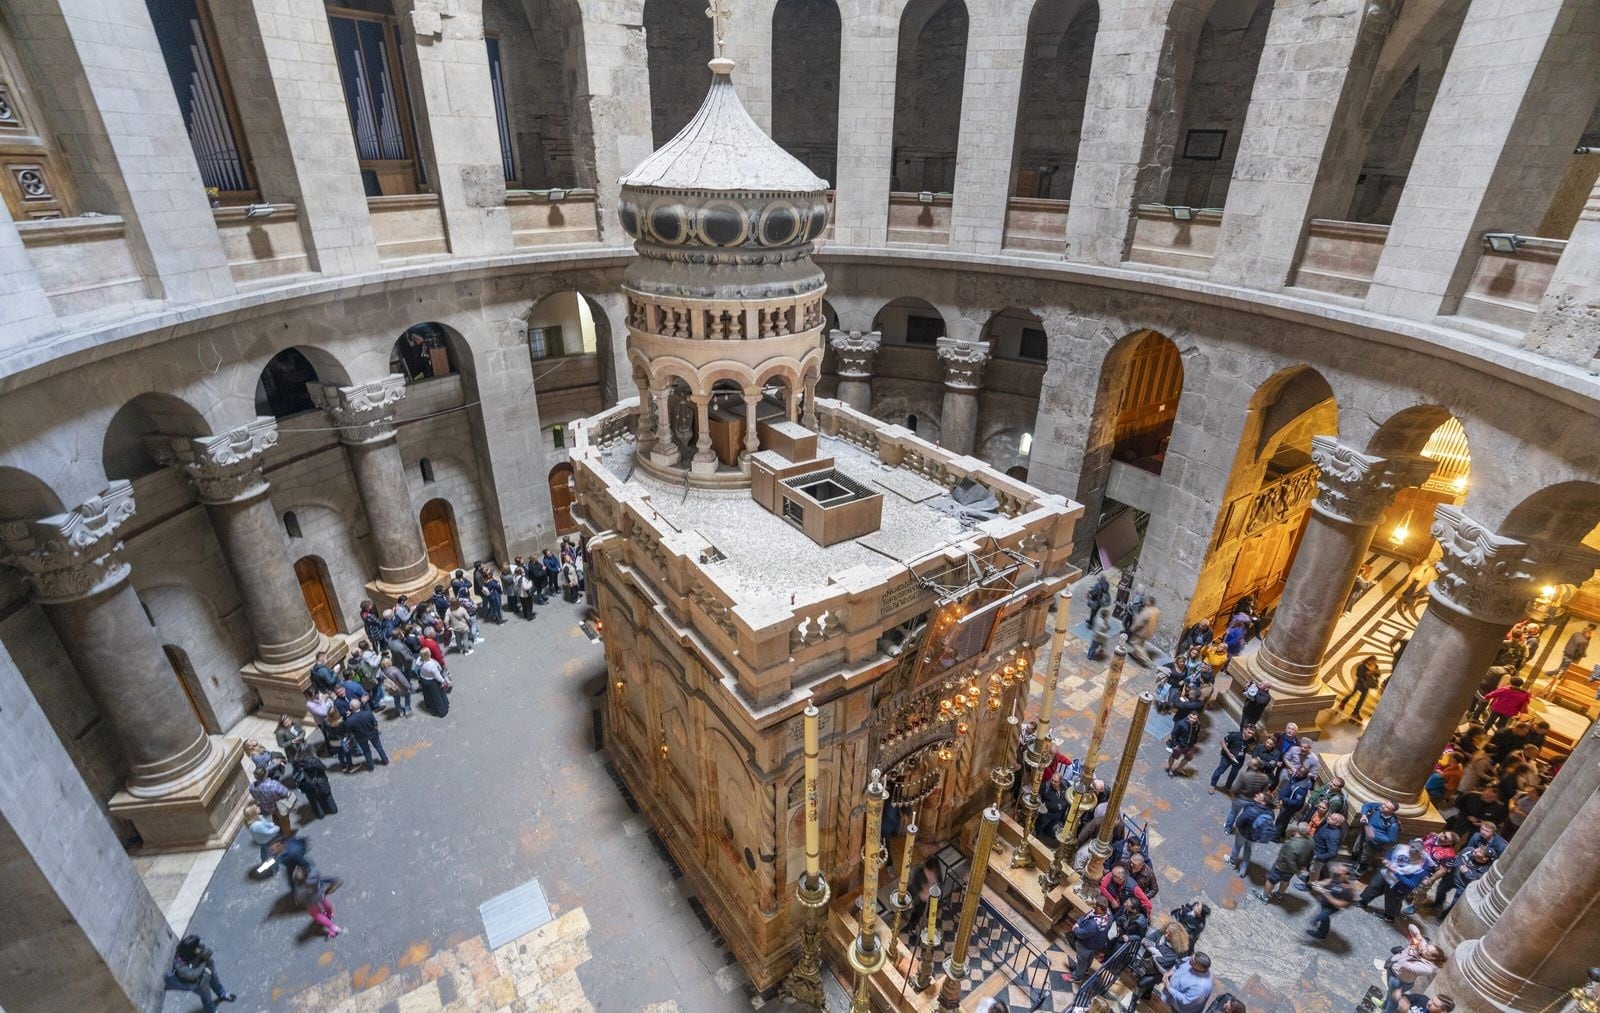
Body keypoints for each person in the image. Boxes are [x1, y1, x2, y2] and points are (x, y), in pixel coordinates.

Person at [1358, 840, 1428, 922]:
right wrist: (1387, 859)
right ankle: (1363, 902)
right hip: (1386, 873)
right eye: (1409, 854)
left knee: (1393, 900)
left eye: (1412, 856)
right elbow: (1391, 853)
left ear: (1419, 854)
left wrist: (1396, 872)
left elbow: (1412, 884)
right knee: (1373, 887)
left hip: (1398, 884)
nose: (1410, 857)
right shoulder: (1402, 847)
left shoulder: (1422, 867)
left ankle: (1389, 917)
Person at [1382, 924, 1445, 1013]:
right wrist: (1418, 935)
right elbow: (1411, 926)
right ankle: (1384, 1005)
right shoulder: (1424, 948)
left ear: (1432, 958)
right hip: (1393, 969)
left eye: (1427, 951)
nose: (1424, 949)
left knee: (1393, 1001)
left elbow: (1407, 966)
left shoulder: (1428, 968)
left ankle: (1386, 1010)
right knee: (1390, 992)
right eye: (1426, 947)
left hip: (1399, 980)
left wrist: (1414, 951)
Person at [163, 934, 236, 1011]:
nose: (199, 948)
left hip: (208, 970)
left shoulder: (198, 946)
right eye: (196, 948)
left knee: (216, 982)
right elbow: (193, 974)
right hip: (199, 983)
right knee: (207, 998)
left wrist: (201, 953)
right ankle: (212, 1010)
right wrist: (204, 963)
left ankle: (222, 993)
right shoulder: (180, 964)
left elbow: (209, 952)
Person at [1256, 822, 1312, 903]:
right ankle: (1279, 895)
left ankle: (1264, 897)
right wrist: (1302, 867)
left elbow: (1289, 860)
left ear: (1297, 830)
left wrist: (1296, 870)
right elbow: (1311, 855)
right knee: (1286, 881)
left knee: (1271, 880)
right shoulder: (1311, 841)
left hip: (1282, 867)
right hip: (1295, 867)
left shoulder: (1292, 844)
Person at [1228, 790, 1275, 879]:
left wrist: (1238, 827)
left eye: (1259, 796)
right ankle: (1243, 869)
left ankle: (1232, 862)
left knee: (1237, 847)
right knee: (1248, 849)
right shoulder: (1271, 813)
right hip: (1254, 836)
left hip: (1243, 833)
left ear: (1263, 802)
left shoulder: (1252, 810)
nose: (1256, 795)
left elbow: (1239, 821)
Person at [291, 864, 343, 939]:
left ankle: (334, 928)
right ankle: (330, 914)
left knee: (317, 915)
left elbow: (300, 899)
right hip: (320, 893)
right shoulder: (313, 874)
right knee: (326, 903)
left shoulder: (299, 890)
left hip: (311, 902)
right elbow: (321, 878)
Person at [1306, 863, 1355, 941]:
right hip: (1324, 903)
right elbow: (1320, 883)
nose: (1337, 870)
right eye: (1338, 868)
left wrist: (1327, 894)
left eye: (1341, 870)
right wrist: (1318, 885)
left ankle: (1321, 931)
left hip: (1332, 907)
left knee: (1320, 917)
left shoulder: (1347, 889)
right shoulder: (1335, 877)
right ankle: (1322, 934)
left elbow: (1341, 904)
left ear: (1346, 875)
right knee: (1324, 919)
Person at [1069, 899, 1113, 983]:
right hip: (1097, 943)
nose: (1093, 906)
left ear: (1099, 909)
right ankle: (1085, 970)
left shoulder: (1094, 924)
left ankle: (1077, 976)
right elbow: (1087, 915)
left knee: (1082, 961)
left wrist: (1076, 928)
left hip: (1086, 945)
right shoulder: (1109, 913)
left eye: (1095, 905)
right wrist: (1078, 922)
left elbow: (1082, 934)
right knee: (1089, 957)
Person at [1298, 812, 1345, 889]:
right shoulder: (1330, 824)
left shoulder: (1333, 835)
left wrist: (1318, 857)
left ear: (1337, 824)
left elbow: (1333, 853)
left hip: (1319, 857)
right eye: (1330, 816)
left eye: (1332, 819)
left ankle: (1308, 886)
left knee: (1314, 872)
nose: (1329, 818)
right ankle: (1307, 879)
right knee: (1311, 869)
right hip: (1315, 852)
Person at [1352, 800, 1401, 871]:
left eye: (1387, 807)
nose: (1383, 806)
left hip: (1372, 843)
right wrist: (1364, 815)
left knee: (1365, 858)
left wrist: (1374, 836)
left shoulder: (1393, 824)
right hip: (1363, 834)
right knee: (1356, 849)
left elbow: (1391, 839)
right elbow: (1366, 806)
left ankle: (1360, 871)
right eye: (1384, 804)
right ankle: (1354, 864)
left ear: (1392, 811)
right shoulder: (1379, 807)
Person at [343, 699, 390, 770]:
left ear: (351, 707)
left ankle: (371, 766)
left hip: (361, 738)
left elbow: (351, 733)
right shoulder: (368, 713)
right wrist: (376, 730)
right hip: (373, 734)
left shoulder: (349, 720)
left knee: (366, 751)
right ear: (360, 705)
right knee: (378, 746)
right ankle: (385, 760)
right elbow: (375, 723)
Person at [1208, 724, 1255, 795]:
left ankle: (1228, 787)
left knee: (1233, 774)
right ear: (1244, 730)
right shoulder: (1235, 735)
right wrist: (1228, 752)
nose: (1250, 735)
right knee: (1220, 770)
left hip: (1239, 760)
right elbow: (1222, 741)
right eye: (1249, 732)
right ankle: (1212, 784)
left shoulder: (1251, 739)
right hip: (1227, 757)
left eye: (1252, 733)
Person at [291, 749, 338, 819]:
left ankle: (320, 814)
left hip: (308, 785)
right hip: (321, 781)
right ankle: (333, 810)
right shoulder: (314, 760)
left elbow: (296, 777)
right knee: (328, 796)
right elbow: (324, 767)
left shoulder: (296, 765)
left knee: (314, 801)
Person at [249, 768, 294, 837]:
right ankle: (287, 834)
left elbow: (255, 797)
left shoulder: (252, 787)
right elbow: (285, 792)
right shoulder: (273, 785)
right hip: (279, 806)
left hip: (266, 807)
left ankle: (278, 828)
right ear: (266, 774)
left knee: (275, 816)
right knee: (284, 819)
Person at [244, 805, 281, 872]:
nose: (259, 807)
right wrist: (277, 828)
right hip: (268, 841)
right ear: (253, 813)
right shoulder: (257, 825)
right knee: (275, 854)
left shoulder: (252, 821)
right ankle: (275, 868)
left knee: (264, 851)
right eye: (256, 808)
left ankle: (264, 862)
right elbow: (268, 832)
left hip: (260, 840)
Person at [1126, 595, 1160, 666]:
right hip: (1149, 631)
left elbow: (1139, 623)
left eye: (1147, 601)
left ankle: (1147, 661)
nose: (1145, 601)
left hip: (1141, 632)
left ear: (1150, 602)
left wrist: (1133, 628)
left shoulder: (1147, 611)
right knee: (1140, 644)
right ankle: (1135, 655)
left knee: (1136, 645)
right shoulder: (1156, 611)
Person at [1165, 710, 1201, 777]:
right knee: (1173, 757)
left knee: (1189, 758)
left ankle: (1179, 769)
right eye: (1191, 717)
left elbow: (1196, 733)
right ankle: (1170, 769)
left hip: (1190, 745)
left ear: (1197, 718)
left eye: (1194, 718)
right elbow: (1174, 734)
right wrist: (1175, 745)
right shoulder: (1180, 724)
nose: (1192, 720)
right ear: (1188, 716)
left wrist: (1194, 741)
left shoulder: (1197, 724)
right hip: (1180, 745)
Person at [418, 652, 451, 717]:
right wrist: (443, 681)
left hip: (424, 680)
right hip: (432, 682)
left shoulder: (419, 661)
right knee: (438, 696)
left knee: (429, 696)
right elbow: (437, 676)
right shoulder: (431, 665)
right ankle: (442, 711)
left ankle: (431, 707)